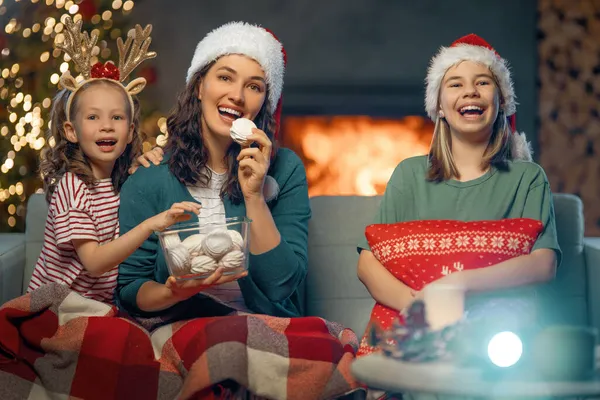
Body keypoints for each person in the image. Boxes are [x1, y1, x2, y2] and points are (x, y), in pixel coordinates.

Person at [356, 34, 561, 357]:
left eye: (483, 82)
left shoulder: (528, 178)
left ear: (502, 102)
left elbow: (543, 264)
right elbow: (368, 262)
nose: (470, 91)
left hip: (499, 333)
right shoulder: (409, 175)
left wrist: (456, 284)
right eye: (455, 84)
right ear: (438, 106)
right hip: (418, 325)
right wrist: (421, 305)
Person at [116, 22, 311, 318]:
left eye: (254, 86)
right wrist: (173, 292)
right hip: (181, 324)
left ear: (265, 103)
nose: (237, 96)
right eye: (225, 77)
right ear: (198, 86)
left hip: (264, 323)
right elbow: (130, 289)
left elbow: (281, 286)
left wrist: (254, 196)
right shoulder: (150, 177)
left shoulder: (285, 170)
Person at [27, 17, 200, 303]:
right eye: (93, 117)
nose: (106, 126)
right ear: (71, 131)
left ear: (130, 131)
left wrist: (140, 168)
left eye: (117, 117)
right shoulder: (73, 187)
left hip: (101, 305)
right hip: (57, 305)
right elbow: (94, 263)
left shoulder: (122, 180)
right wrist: (150, 225)